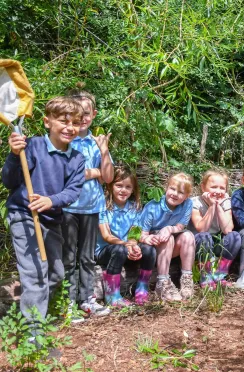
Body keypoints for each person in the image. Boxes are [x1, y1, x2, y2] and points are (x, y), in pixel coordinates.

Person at [2, 97, 85, 332]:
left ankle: (38, 314)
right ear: (47, 121)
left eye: (76, 123)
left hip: (51, 220)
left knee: (56, 273)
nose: (70, 127)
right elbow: (9, 181)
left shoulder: (77, 159)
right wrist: (13, 154)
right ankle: (33, 333)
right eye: (64, 120)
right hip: (24, 216)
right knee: (35, 273)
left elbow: (72, 192)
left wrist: (50, 201)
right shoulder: (33, 146)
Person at [62, 88, 113, 321]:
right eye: (78, 111)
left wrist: (104, 151)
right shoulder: (65, 139)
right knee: (68, 257)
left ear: (94, 114)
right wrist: (95, 172)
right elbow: (67, 174)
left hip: (92, 207)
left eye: (87, 112)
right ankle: (68, 303)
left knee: (87, 257)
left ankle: (86, 299)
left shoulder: (96, 141)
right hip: (68, 207)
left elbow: (109, 177)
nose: (82, 117)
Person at [95, 166, 156, 306]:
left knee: (149, 249)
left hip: (126, 249)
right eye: (119, 185)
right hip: (106, 252)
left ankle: (142, 287)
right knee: (119, 249)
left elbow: (134, 233)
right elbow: (106, 236)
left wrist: (134, 246)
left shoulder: (134, 207)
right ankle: (112, 294)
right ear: (110, 186)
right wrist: (126, 245)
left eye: (128, 187)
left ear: (133, 189)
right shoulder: (103, 206)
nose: (123, 190)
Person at [137, 173, 195, 302]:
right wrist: (149, 238)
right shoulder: (153, 206)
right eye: (172, 189)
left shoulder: (187, 204)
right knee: (167, 238)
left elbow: (181, 226)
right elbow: (140, 234)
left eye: (180, 192)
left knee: (188, 236)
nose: (175, 194)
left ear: (186, 196)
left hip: (172, 247)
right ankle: (162, 282)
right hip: (154, 248)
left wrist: (169, 228)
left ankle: (186, 279)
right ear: (166, 188)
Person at [189, 170, 241, 288]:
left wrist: (218, 206)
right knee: (204, 236)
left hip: (216, 242)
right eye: (213, 187)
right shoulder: (195, 202)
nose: (218, 191)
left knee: (235, 236)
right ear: (203, 187)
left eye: (222, 188)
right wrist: (211, 206)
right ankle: (206, 276)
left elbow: (227, 230)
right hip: (199, 244)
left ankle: (219, 275)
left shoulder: (226, 202)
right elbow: (201, 229)